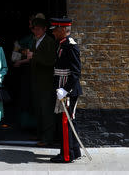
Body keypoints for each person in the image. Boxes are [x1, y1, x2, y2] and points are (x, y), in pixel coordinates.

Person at [49, 17, 83, 163]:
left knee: (65, 122)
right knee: (69, 121)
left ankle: (66, 155)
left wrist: (65, 89)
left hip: (68, 89)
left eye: (56, 30)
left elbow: (76, 71)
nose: (54, 33)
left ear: (63, 30)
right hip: (62, 86)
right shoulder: (62, 44)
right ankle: (74, 151)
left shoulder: (70, 45)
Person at [26, 17, 56, 147]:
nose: (36, 31)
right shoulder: (35, 41)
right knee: (38, 109)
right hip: (36, 82)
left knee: (46, 111)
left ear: (45, 29)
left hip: (46, 83)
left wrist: (34, 56)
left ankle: (48, 138)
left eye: (39, 29)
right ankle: (40, 134)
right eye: (34, 28)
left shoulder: (49, 42)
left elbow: (50, 61)